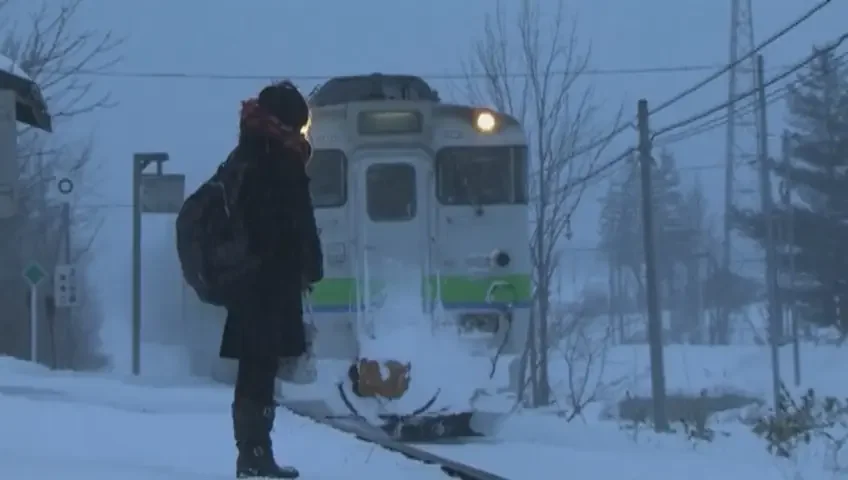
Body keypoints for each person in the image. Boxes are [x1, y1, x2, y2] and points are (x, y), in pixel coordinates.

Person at [218, 80, 323, 479]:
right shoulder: (279, 157)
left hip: (247, 280)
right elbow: (297, 218)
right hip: (270, 281)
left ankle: (253, 455)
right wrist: (312, 265)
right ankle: (257, 458)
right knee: (260, 371)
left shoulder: (246, 152)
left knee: (253, 369)